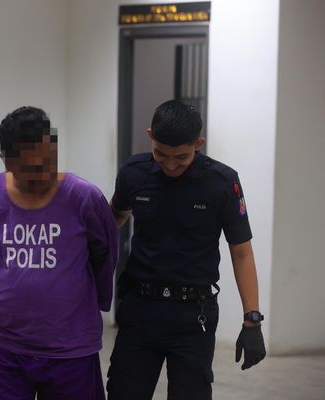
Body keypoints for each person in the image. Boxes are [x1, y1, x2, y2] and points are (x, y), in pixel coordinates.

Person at [106, 100, 266, 400]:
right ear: (151, 135)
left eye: (181, 156)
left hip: (194, 318)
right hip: (140, 311)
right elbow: (114, 215)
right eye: (161, 154)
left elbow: (241, 251)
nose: (170, 165)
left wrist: (252, 320)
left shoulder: (222, 183)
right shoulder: (134, 172)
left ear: (199, 144)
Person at [0, 106, 118, 400]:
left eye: (48, 161)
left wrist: (84, 306)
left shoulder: (84, 198)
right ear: (6, 161)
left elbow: (105, 257)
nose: (44, 172)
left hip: (70, 348)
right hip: (4, 348)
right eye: (32, 169)